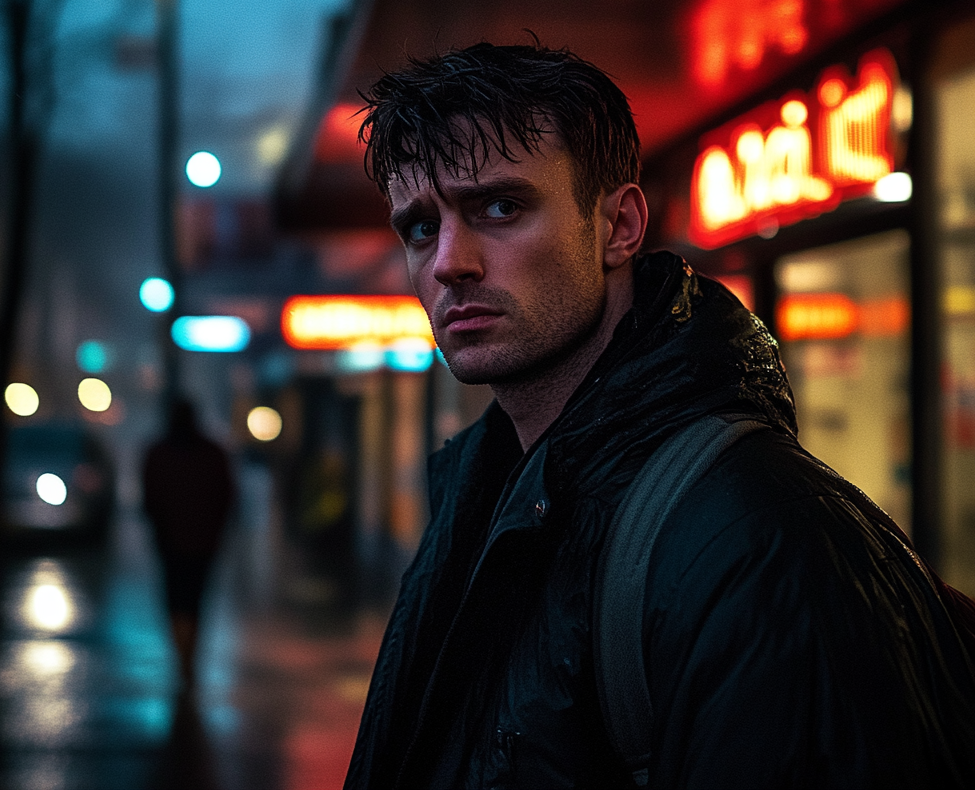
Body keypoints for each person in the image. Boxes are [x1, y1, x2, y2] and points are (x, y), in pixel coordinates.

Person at [344, 42, 975, 789]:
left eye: (501, 206)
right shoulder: (480, 495)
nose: (450, 260)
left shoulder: (761, 537)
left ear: (619, 226)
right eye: (420, 226)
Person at [142, 398, 234, 686]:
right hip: (202, 544)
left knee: (175, 601)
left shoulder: (158, 453)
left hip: (172, 543)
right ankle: (188, 658)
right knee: (195, 601)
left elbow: (150, 499)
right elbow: (227, 498)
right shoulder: (212, 453)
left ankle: (183, 658)